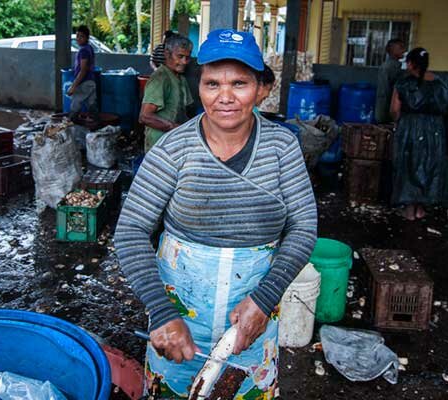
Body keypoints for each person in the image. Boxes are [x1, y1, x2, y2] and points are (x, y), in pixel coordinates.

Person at [115, 28, 317, 398]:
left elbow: (303, 227)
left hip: (253, 319)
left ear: (260, 89)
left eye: (239, 83)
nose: (225, 97)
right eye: (212, 84)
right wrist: (161, 312)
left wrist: (264, 299)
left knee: (241, 389)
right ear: (200, 87)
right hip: (178, 320)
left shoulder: (282, 147)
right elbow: (129, 232)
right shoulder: (174, 149)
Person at [390, 47, 448, 221]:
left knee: (409, 164)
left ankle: (410, 210)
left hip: (411, 127)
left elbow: (394, 110)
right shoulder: (442, 83)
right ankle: (421, 209)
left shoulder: (404, 83)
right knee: (429, 165)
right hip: (435, 130)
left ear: (410, 63)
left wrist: (398, 121)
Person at [139, 34, 194, 152]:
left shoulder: (181, 78)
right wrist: (176, 128)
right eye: (180, 56)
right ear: (167, 54)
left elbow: (185, 110)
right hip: (159, 144)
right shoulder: (160, 78)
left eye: (187, 57)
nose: (184, 62)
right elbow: (144, 116)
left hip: (172, 141)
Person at [67, 25, 97, 120]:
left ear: (87, 38)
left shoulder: (83, 51)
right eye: (77, 36)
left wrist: (73, 86)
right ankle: (97, 127)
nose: (78, 39)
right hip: (91, 82)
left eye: (81, 36)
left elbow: (83, 70)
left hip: (85, 83)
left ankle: (69, 127)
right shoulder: (89, 48)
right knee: (92, 107)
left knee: (75, 105)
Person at [375, 38, 406, 124]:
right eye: (401, 48)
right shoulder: (389, 67)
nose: (404, 50)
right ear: (393, 50)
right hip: (387, 109)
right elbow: (386, 91)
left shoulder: (394, 65)